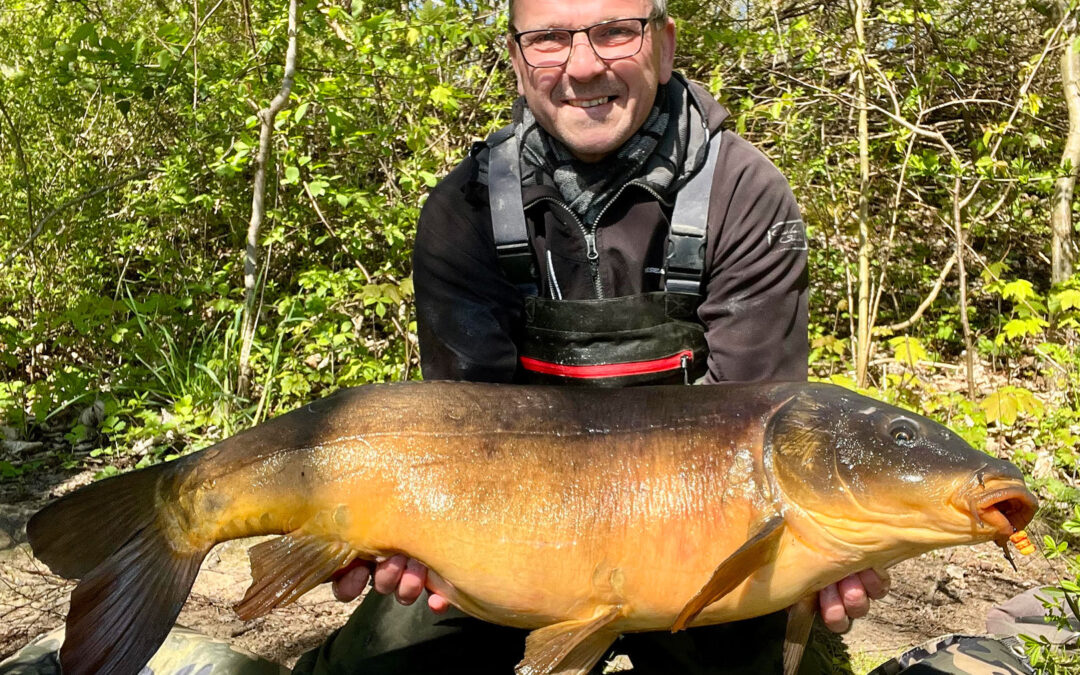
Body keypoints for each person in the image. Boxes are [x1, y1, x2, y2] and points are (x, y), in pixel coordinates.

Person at [294, 0, 888, 672]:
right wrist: (410, 536)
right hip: (516, 538)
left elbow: (757, 434)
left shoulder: (745, 195)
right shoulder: (464, 209)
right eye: (548, 39)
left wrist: (828, 546)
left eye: (614, 31)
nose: (582, 66)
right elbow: (461, 436)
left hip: (703, 542)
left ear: (664, 45)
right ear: (517, 60)